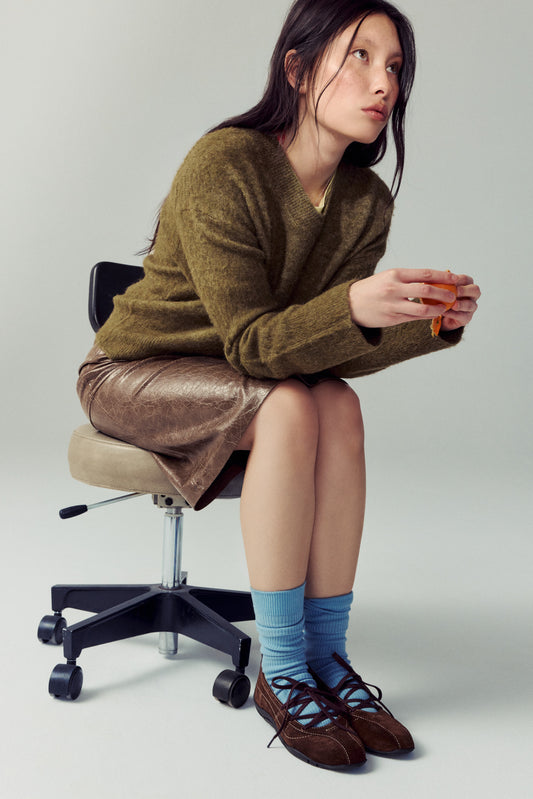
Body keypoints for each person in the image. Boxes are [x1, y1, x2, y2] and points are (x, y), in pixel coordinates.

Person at [77, 0, 480, 770]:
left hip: (239, 377)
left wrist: (426, 323)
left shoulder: (365, 200)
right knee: (291, 402)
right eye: (359, 56)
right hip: (132, 373)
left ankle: (328, 659)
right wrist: (351, 307)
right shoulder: (224, 162)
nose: (382, 83)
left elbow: (324, 347)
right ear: (297, 68)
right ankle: (284, 668)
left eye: (393, 66)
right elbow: (257, 343)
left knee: (336, 400)